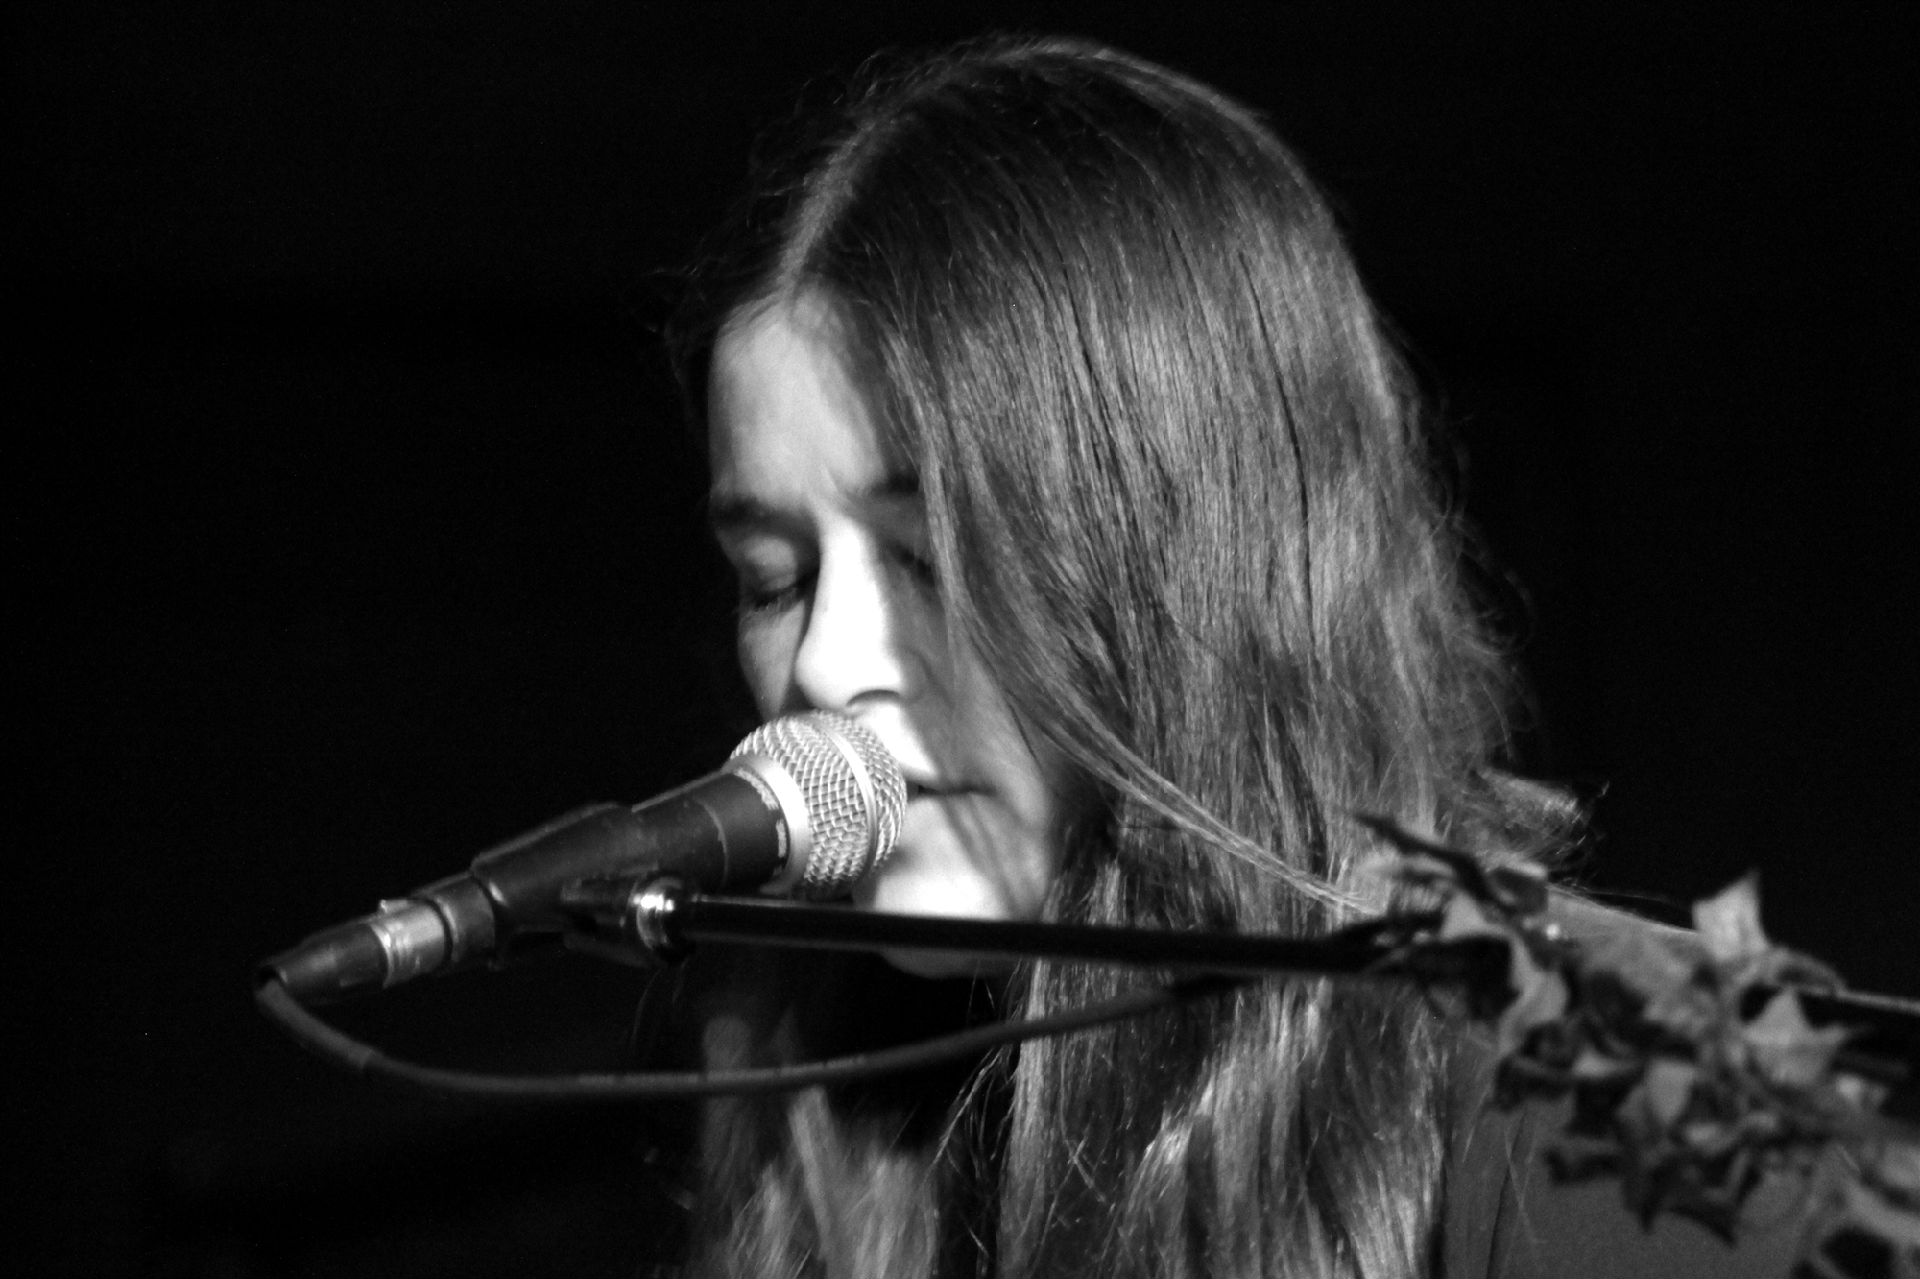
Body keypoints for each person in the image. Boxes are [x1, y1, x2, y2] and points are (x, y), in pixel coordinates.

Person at [650, 35, 1794, 1279]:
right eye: (776, 580)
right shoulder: (821, 1084)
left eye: (930, 556)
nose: (825, 666)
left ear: (1181, 552)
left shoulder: (1624, 1087)